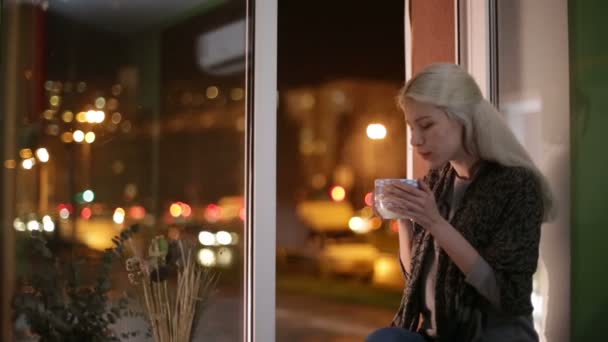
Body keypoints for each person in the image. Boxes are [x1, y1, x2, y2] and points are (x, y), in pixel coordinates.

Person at [366, 63, 554, 342]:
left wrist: (435, 223)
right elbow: (415, 278)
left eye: (426, 125)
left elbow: (506, 295)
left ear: (463, 118)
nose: (415, 140)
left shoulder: (516, 186)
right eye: (411, 128)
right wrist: (404, 217)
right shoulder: (438, 182)